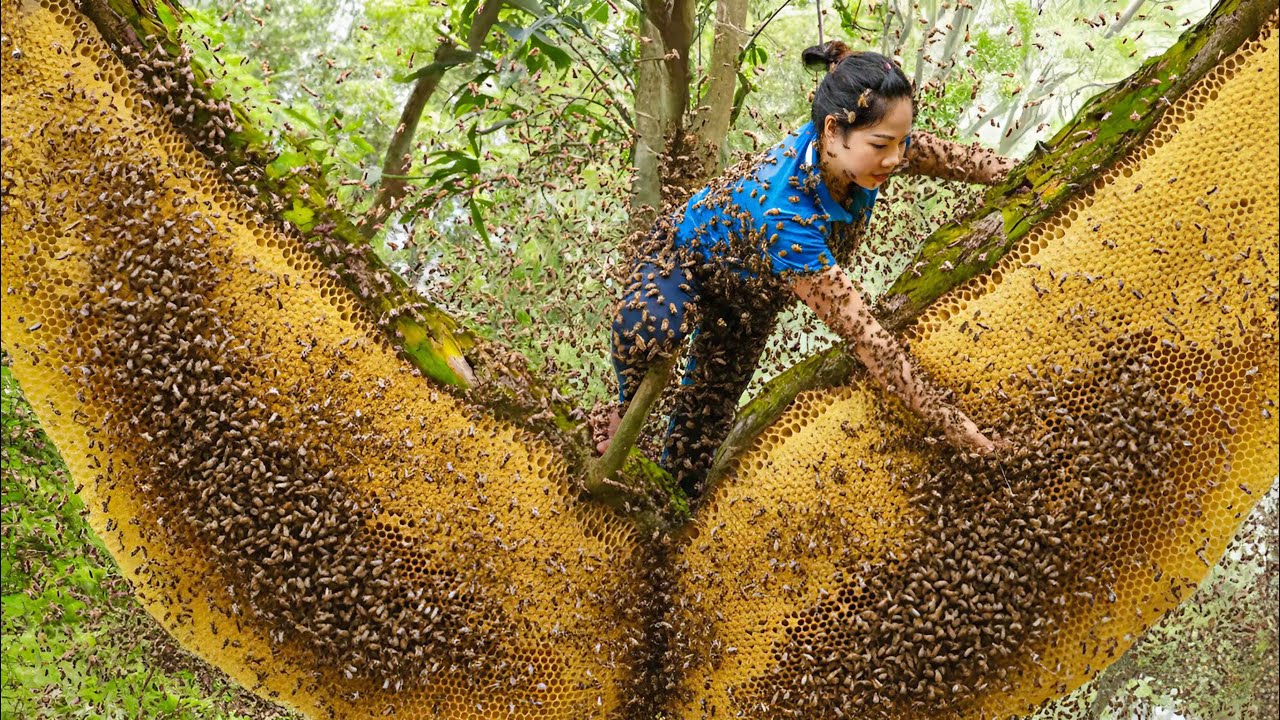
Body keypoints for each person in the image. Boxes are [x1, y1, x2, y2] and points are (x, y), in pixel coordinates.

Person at [598, 41, 1018, 499]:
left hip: (750, 305)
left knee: (691, 456)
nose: (896, 158)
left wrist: (1020, 169)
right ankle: (620, 411)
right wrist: (963, 434)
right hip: (682, 260)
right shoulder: (786, 218)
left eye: (902, 142)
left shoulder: (871, 139)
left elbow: (958, 159)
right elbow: (869, 341)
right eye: (882, 146)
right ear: (832, 131)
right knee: (651, 328)